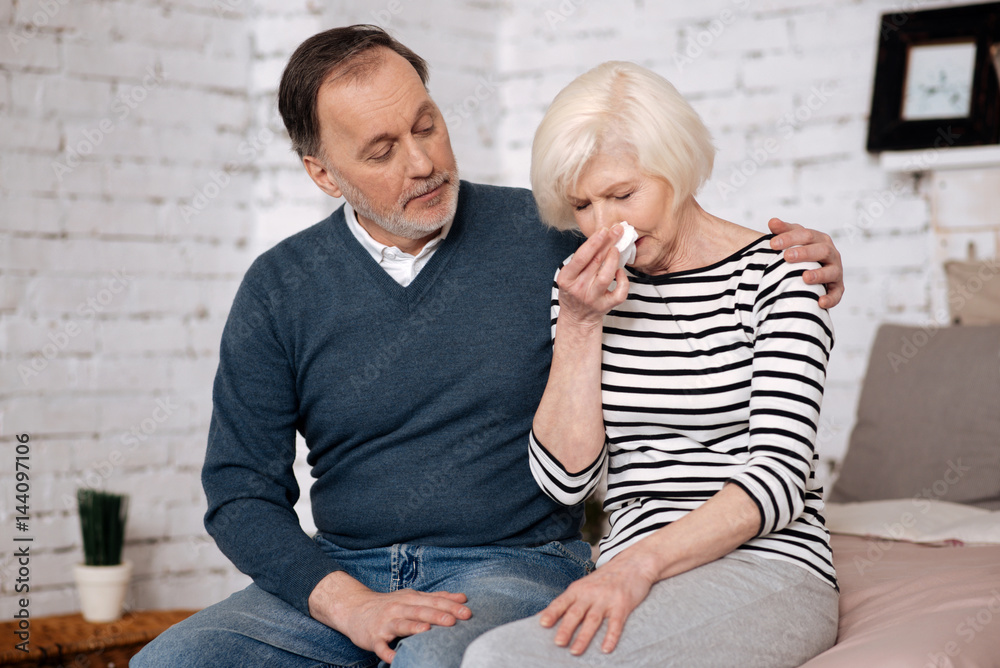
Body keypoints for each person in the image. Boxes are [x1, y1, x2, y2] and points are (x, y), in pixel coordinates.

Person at [134, 27, 844, 668]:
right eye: (383, 150)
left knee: (441, 663)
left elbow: (679, 245)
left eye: (427, 125)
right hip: (344, 571)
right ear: (324, 173)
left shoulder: (554, 235)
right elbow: (239, 495)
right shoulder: (279, 288)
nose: (422, 162)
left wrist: (804, 260)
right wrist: (345, 602)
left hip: (508, 567)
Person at [461, 61, 839, 668]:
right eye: (583, 205)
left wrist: (639, 566)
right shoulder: (584, 294)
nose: (604, 226)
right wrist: (580, 327)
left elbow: (779, 477)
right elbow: (565, 482)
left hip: (767, 565)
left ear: (679, 169)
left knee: (505, 661)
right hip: (631, 569)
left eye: (623, 195)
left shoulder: (781, 276)